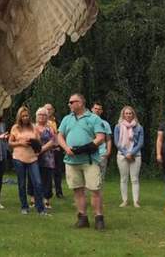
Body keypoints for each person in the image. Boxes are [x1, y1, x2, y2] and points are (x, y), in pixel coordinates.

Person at [58, 93, 106, 230]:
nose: (70, 104)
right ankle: (82, 217)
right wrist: (66, 148)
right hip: (71, 160)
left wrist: (86, 148)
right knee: (78, 190)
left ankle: (99, 218)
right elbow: (59, 135)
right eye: (69, 102)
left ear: (81, 103)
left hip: (89, 160)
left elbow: (100, 137)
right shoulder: (67, 119)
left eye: (72, 102)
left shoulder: (93, 118)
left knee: (95, 189)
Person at [8, 106, 47, 216]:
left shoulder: (33, 127)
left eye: (27, 115)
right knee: (21, 183)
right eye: (23, 116)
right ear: (19, 117)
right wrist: (21, 143)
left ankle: (41, 209)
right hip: (19, 158)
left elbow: (39, 143)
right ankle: (24, 207)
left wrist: (35, 145)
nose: (25, 117)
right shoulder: (15, 128)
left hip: (32, 158)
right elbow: (10, 143)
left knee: (38, 183)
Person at [114, 105, 144, 207]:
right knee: (123, 179)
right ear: (123, 114)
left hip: (136, 155)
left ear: (133, 115)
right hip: (122, 155)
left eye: (130, 113)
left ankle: (136, 201)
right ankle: (125, 200)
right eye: (126, 113)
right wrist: (126, 153)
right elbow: (117, 142)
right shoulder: (118, 127)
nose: (128, 115)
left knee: (135, 179)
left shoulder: (139, 127)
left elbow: (140, 143)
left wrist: (131, 153)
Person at [28, 107, 58, 209]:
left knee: (47, 179)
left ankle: (46, 200)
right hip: (33, 156)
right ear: (36, 116)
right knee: (32, 178)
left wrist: (41, 149)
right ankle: (33, 199)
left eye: (44, 115)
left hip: (47, 158)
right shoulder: (31, 127)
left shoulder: (50, 128)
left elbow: (54, 141)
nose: (41, 117)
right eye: (39, 114)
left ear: (47, 117)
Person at [45, 103, 65, 198]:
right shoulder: (41, 122)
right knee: (47, 171)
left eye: (50, 109)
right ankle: (47, 191)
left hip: (57, 149)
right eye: (46, 109)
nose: (48, 111)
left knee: (58, 171)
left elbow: (62, 134)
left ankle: (59, 191)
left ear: (53, 110)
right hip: (46, 150)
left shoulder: (58, 121)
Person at [91, 103, 113, 187]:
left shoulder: (105, 124)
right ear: (92, 109)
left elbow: (108, 139)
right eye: (95, 108)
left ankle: (98, 199)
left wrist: (108, 151)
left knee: (100, 178)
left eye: (99, 109)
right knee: (88, 177)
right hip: (89, 153)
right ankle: (85, 199)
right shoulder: (86, 122)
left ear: (102, 111)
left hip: (102, 153)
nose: (97, 110)